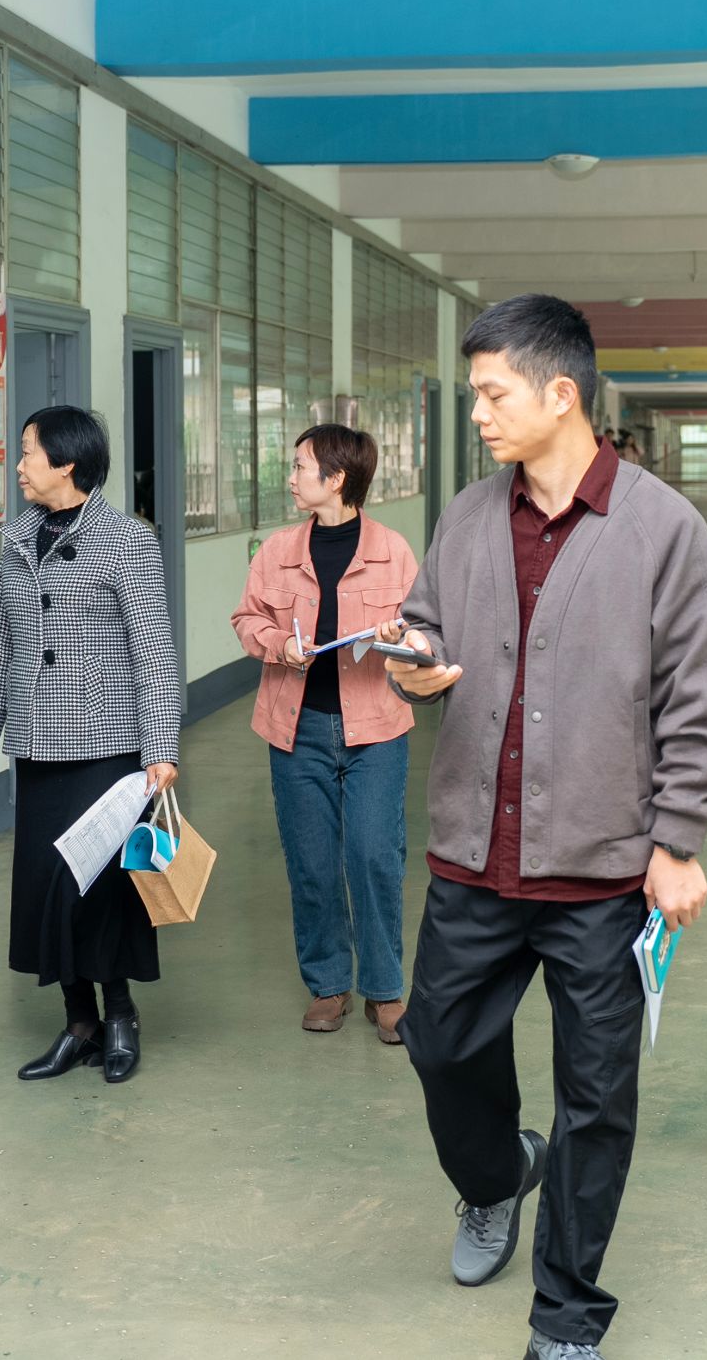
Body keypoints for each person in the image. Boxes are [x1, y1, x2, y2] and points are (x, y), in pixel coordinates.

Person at [386, 294, 707, 1360]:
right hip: (473, 856)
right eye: (476, 394)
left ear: (560, 394)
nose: (478, 413)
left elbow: (695, 703)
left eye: (493, 394)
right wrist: (413, 661)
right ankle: (497, 1175)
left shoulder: (662, 530)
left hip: (602, 868)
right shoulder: (465, 516)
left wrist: (676, 843)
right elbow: (427, 624)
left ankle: (567, 1315)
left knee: (596, 1100)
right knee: (440, 1043)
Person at [0, 406, 182, 1085]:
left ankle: (120, 1015)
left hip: (109, 746)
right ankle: (78, 1023)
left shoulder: (126, 540)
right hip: (38, 746)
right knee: (50, 886)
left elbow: (154, 652)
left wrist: (160, 746)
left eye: (28, 452)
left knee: (103, 888)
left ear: (66, 463)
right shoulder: (18, 539)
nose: (18, 464)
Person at [231, 424, 418, 1043]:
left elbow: (424, 628)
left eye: (300, 466)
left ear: (336, 479)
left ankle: (384, 990)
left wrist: (402, 638)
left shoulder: (393, 552)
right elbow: (247, 617)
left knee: (374, 855)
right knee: (311, 861)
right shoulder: (277, 550)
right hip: (297, 728)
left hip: (376, 727)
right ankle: (328, 985)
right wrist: (278, 644)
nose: (291, 477)